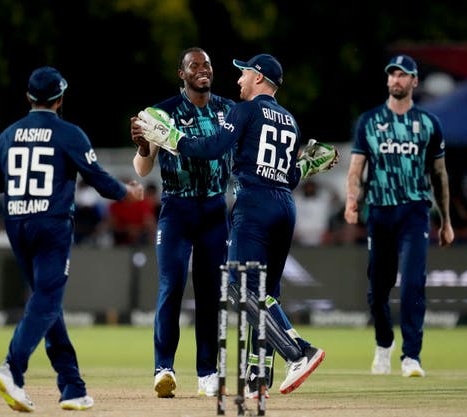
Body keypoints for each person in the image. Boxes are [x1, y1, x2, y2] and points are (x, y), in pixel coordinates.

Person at [134, 53, 338, 397]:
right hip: (284, 207)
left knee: (238, 289)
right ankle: (258, 378)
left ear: (258, 77)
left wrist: (176, 141)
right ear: (181, 73)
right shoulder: (289, 120)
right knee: (266, 294)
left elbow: (213, 148)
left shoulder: (239, 110)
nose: (238, 79)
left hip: (252, 207)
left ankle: (299, 351)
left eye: (243, 73)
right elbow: (288, 175)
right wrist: (309, 166)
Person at [0, 66, 144, 412]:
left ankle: (71, 386)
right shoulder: (69, 133)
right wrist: (128, 192)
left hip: (16, 225)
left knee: (47, 302)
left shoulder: (7, 135)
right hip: (51, 225)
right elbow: (100, 181)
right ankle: (12, 368)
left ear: (29, 97)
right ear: (60, 99)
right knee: (46, 300)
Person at [130, 47, 235, 398]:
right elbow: (143, 169)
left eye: (207, 64)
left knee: (209, 293)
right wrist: (145, 147)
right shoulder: (163, 112)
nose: (202, 69)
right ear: (182, 74)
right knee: (170, 287)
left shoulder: (228, 110)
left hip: (215, 210)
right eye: (194, 66)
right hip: (177, 208)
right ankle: (164, 369)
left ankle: (207, 372)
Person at [344, 55, 454, 378]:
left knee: (412, 284)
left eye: (403, 75)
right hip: (379, 212)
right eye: (392, 73)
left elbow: (439, 174)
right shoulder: (369, 121)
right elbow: (355, 169)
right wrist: (352, 202)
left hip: (415, 212)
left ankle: (411, 356)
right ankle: (383, 343)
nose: (396, 79)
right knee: (377, 290)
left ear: (414, 82)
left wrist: (445, 221)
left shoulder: (429, 124)